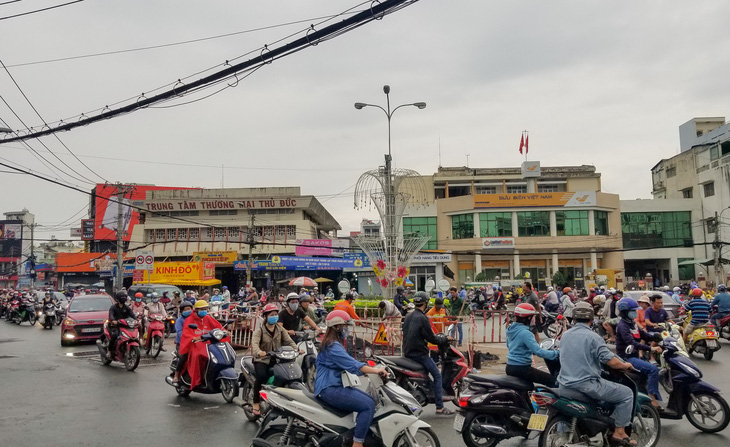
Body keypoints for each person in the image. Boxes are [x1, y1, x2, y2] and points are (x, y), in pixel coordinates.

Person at [558, 301, 636, 446]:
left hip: (564, 384)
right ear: (592, 319)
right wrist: (624, 365)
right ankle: (619, 432)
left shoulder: (566, 335)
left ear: (574, 318)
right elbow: (611, 362)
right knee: (626, 393)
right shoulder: (594, 337)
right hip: (586, 385)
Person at [314, 310, 387, 447]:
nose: (347, 329)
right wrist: (376, 371)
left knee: (368, 400)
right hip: (329, 388)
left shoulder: (333, 343)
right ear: (337, 327)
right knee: (368, 405)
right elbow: (353, 365)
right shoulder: (332, 346)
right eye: (345, 326)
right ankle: (357, 443)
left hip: (333, 386)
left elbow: (349, 364)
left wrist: (366, 370)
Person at [402, 291, 454, 415]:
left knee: (427, 374)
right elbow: (431, 338)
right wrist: (444, 339)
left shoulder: (408, 316)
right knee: (437, 375)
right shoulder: (422, 317)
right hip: (420, 354)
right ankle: (440, 407)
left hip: (407, 352)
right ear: (425, 303)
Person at [251, 303, 298, 416]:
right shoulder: (260, 331)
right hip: (262, 360)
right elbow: (255, 344)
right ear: (266, 316)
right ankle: (256, 402)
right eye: (272, 315)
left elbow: (289, 341)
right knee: (261, 376)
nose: (274, 316)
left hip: (277, 358)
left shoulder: (280, 329)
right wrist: (259, 352)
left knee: (287, 374)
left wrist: (296, 348)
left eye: (276, 314)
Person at [614, 298, 663, 407]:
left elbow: (644, 335)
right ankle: (652, 397)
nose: (635, 312)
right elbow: (632, 343)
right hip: (627, 358)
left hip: (635, 355)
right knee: (653, 369)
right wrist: (651, 349)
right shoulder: (623, 326)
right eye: (633, 310)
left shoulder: (632, 323)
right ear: (625, 312)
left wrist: (656, 337)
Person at [174, 300, 228, 387]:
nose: (204, 311)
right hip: (192, 344)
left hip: (206, 343)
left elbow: (217, 326)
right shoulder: (188, 320)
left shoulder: (208, 318)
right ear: (197, 310)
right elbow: (185, 333)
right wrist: (193, 338)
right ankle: (180, 375)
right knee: (194, 356)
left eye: (205, 309)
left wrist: (224, 332)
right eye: (202, 309)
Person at [506, 303, 560, 387]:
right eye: (534, 317)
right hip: (521, 368)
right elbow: (539, 352)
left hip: (510, 367)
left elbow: (509, 345)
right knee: (553, 381)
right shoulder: (526, 333)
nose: (535, 319)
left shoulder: (511, 329)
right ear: (528, 318)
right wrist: (558, 353)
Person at [107, 291, 136, 359]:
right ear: (118, 298)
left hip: (125, 325)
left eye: (125, 297)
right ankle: (110, 350)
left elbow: (132, 314)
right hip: (115, 326)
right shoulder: (113, 307)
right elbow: (111, 315)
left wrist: (137, 319)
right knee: (114, 335)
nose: (124, 298)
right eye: (122, 297)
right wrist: (113, 320)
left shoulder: (127, 307)